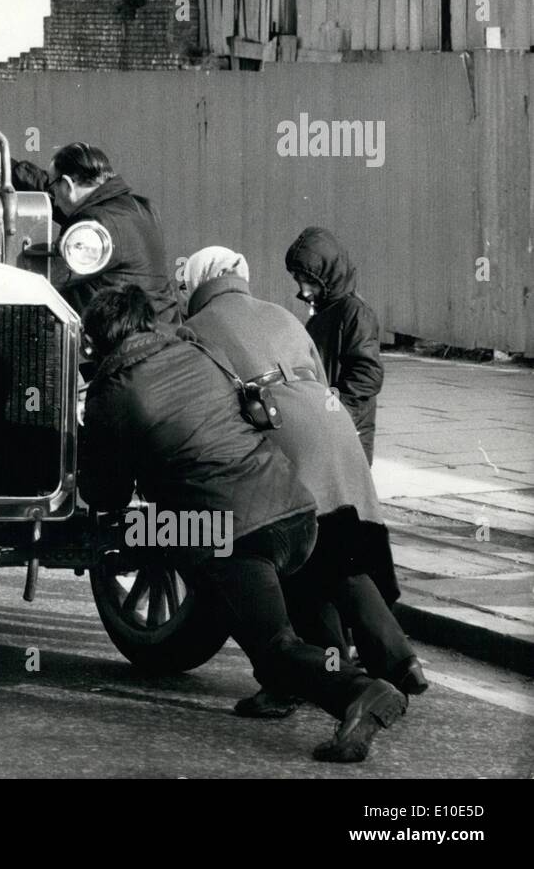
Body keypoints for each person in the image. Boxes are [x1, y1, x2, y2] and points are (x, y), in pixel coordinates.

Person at [80, 284, 408, 763]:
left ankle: (357, 693)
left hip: (229, 533)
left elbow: (104, 494)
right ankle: (329, 680)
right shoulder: (197, 354)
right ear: (146, 322)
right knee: (292, 595)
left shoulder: (111, 392)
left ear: (98, 341)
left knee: (272, 648)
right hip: (294, 506)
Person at [181, 246, 427, 719]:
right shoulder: (280, 313)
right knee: (338, 559)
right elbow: (316, 367)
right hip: (334, 429)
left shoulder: (197, 329)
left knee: (293, 564)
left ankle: (294, 686)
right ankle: (400, 661)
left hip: (285, 436)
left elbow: (206, 406)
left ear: (197, 282)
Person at [12, 142, 178, 323]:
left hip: (126, 341)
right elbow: (60, 197)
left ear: (68, 184)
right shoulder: (141, 208)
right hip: (161, 328)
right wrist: (6, 165)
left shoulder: (95, 224)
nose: (55, 202)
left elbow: (48, 279)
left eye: (53, 191)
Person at [285, 226, 384, 464]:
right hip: (333, 423)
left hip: (347, 428)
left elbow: (367, 374)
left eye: (311, 282)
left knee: (347, 493)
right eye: (299, 281)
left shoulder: (354, 312)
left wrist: (334, 414)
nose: (304, 290)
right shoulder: (325, 312)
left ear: (330, 276)